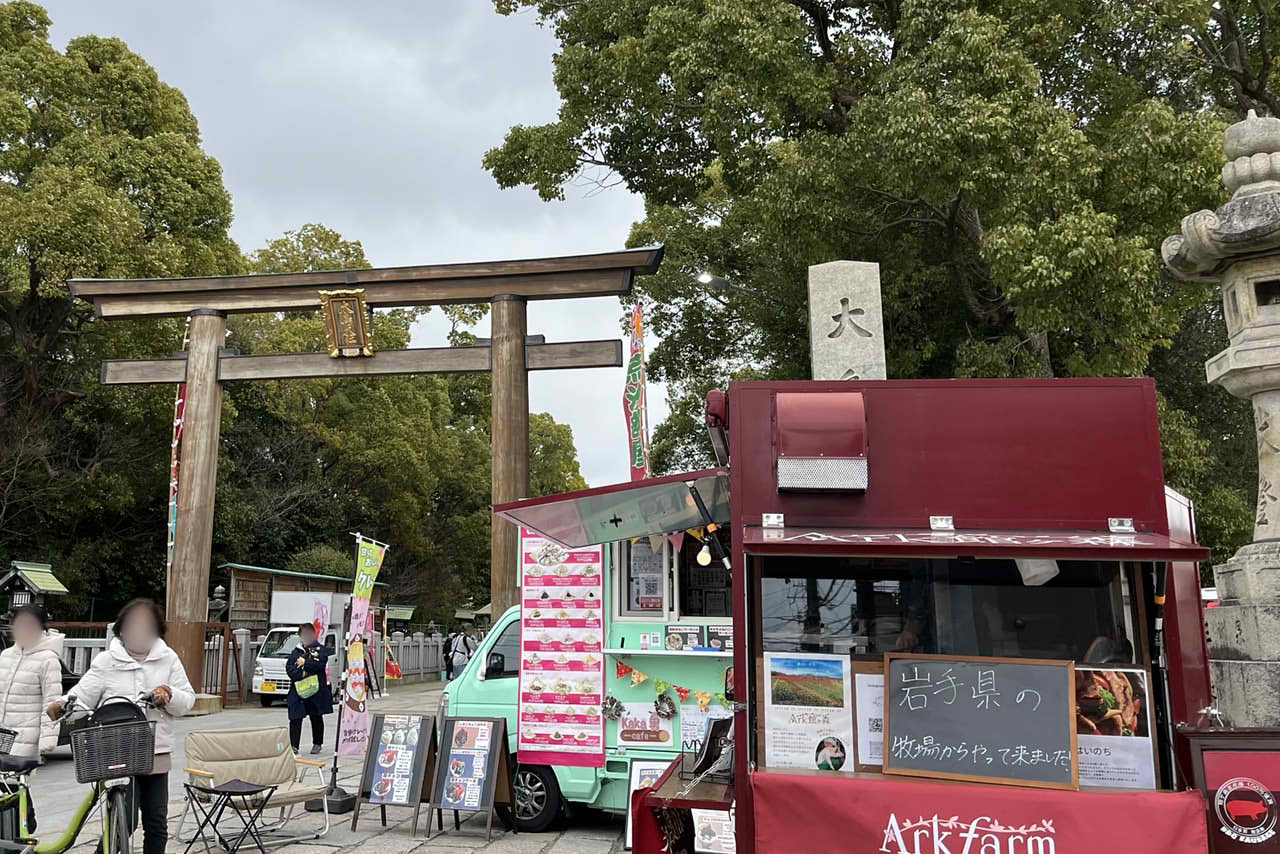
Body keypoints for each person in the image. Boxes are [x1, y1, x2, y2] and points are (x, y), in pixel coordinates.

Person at [47, 599, 194, 854]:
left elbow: (187, 700)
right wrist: (61, 705)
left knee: (157, 823)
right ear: (122, 631)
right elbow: (82, 696)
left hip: (155, 751)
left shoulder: (167, 658)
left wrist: (168, 694)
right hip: (116, 750)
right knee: (124, 822)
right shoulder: (107, 661)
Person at [0, 604, 63, 759]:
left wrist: (47, 740)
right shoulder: (6, 655)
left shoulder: (48, 659)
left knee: (12, 781)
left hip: (25, 738)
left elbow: (52, 703)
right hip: (2, 733)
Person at [285, 622, 333, 754]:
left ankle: (317, 742)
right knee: (295, 716)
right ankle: (294, 745)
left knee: (316, 715)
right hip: (298, 688)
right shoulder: (296, 651)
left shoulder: (320, 650)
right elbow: (290, 669)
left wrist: (305, 663)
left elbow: (320, 665)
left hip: (316, 689)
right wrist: (302, 672)